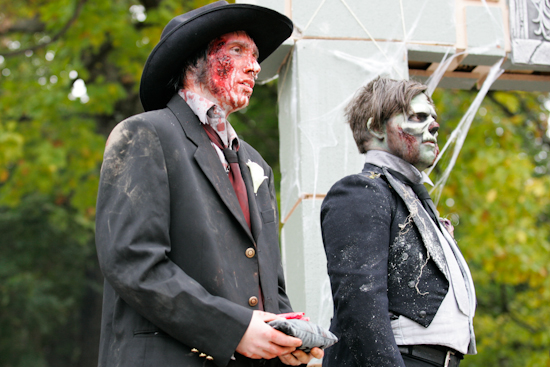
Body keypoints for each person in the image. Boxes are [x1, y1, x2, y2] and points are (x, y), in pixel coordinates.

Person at [94, 2, 323, 366]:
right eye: (237, 51)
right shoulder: (144, 134)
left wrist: (289, 338)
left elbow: (269, 283)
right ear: (192, 62)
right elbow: (132, 261)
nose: (255, 66)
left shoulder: (255, 163)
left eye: (256, 56)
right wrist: (235, 329)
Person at [320, 77, 476, 367]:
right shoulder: (361, 191)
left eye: (433, 117)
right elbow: (360, 308)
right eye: (418, 116)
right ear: (376, 127)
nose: (434, 125)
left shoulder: (410, 198)